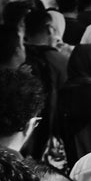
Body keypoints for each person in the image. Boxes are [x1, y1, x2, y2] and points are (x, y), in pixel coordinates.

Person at [19, 8, 70, 166]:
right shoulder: (60, 60)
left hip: (17, 131)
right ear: (50, 29)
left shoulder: (17, 57)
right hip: (48, 132)